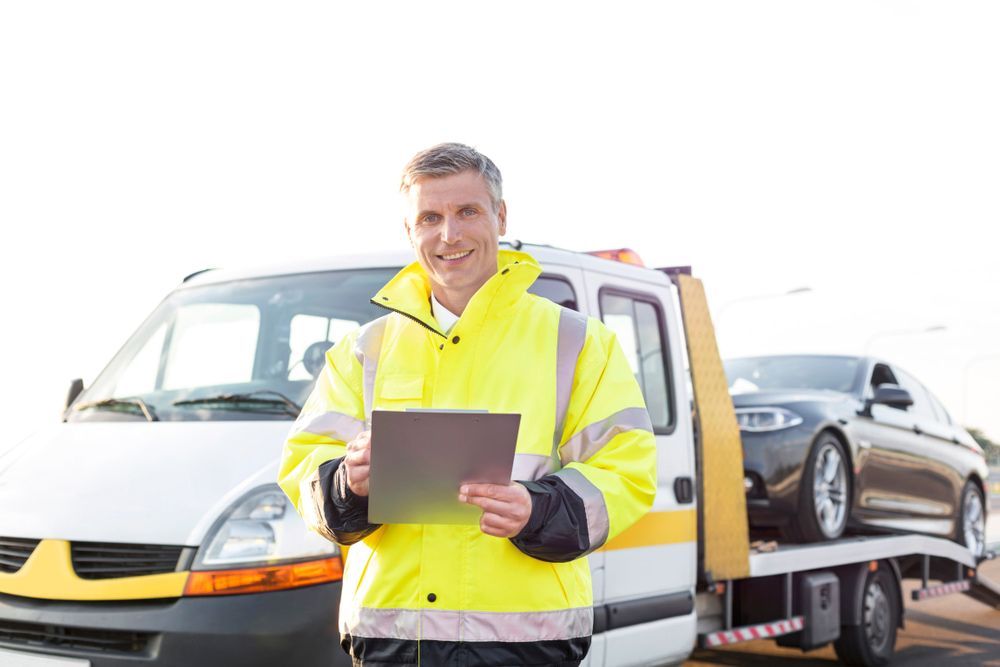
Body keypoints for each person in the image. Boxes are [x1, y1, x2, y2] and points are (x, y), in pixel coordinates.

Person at [278, 143, 656, 666]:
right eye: (429, 217)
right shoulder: (363, 350)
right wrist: (348, 482)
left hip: (528, 641)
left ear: (500, 216)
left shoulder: (577, 342)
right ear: (409, 231)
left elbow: (628, 473)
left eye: (467, 212)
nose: (449, 235)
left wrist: (536, 508)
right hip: (392, 638)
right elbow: (304, 471)